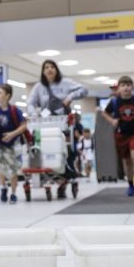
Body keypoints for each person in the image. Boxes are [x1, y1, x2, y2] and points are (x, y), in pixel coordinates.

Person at [27, 59, 89, 198]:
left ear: (56, 69)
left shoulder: (65, 83)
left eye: (52, 67)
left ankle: (64, 182)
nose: (49, 69)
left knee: (66, 152)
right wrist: (33, 113)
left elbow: (84, 89)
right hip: (45, 124)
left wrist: (69, 97)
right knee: (46, 151)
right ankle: (51, 177)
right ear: (43, 71)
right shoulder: (38, 87)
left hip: (64, 123)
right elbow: (30, 103)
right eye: (46, 67)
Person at [103, 76, 134, 196]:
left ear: (133, 87)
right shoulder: (115, 101)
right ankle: (131, 185)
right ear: (118, 88)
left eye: (128, 85)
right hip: (121, 134)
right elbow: (105, 113)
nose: (126, 88)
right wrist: (112, 121)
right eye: (123, 85)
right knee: (127, 161)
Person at [0, 84, 28, 204]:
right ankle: (4, 187)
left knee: (13, 170)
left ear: (7, 96)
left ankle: (14, 193)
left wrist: (12, 134)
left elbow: (24, 126)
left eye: (0, 93)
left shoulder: (14, 111)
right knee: (0, 168)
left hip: (12, 145)